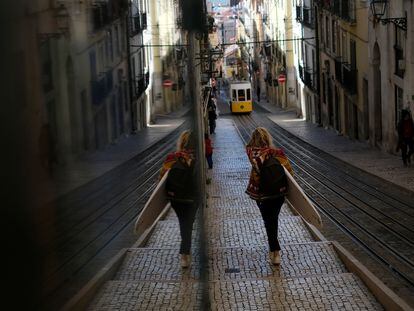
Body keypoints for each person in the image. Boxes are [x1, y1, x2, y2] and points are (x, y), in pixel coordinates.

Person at [245, 127, 293, 265]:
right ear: (267, 139)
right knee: (274, 219)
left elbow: (255, 174)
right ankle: (275, 251)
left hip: (262, 195)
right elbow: (289, 172)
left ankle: (275, 250)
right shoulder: (277, 154)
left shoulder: (251, 154)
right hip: (278, 194)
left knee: (268, 221)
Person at [159, 130, 198, 268]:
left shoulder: (172, 157)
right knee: (188, 224)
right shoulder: (197, 158)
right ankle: (184, 253)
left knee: (184, 223)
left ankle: (184, 255)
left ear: (181, 143)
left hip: (176, 199)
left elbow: (162, 177)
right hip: (192, 198)